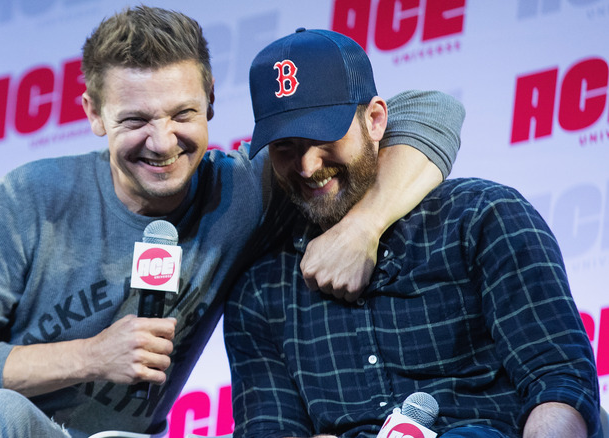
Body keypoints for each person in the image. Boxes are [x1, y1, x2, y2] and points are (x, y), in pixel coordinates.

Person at [0, 7, 462, 438]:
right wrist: (91, 356)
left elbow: (432, 110)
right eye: (135, 120)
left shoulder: (250, 187)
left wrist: (364, 226)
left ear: (211, 105)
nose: (163, 142)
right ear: (94, 113)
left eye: (183, 114)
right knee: (1, 412)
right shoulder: (27, 200)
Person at [224, 27, 601, 438]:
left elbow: (559, 381)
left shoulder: (480, 218)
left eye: (324, 137)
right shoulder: (260, 293)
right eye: (285, 147)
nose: (308, 166)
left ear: (375, 120)